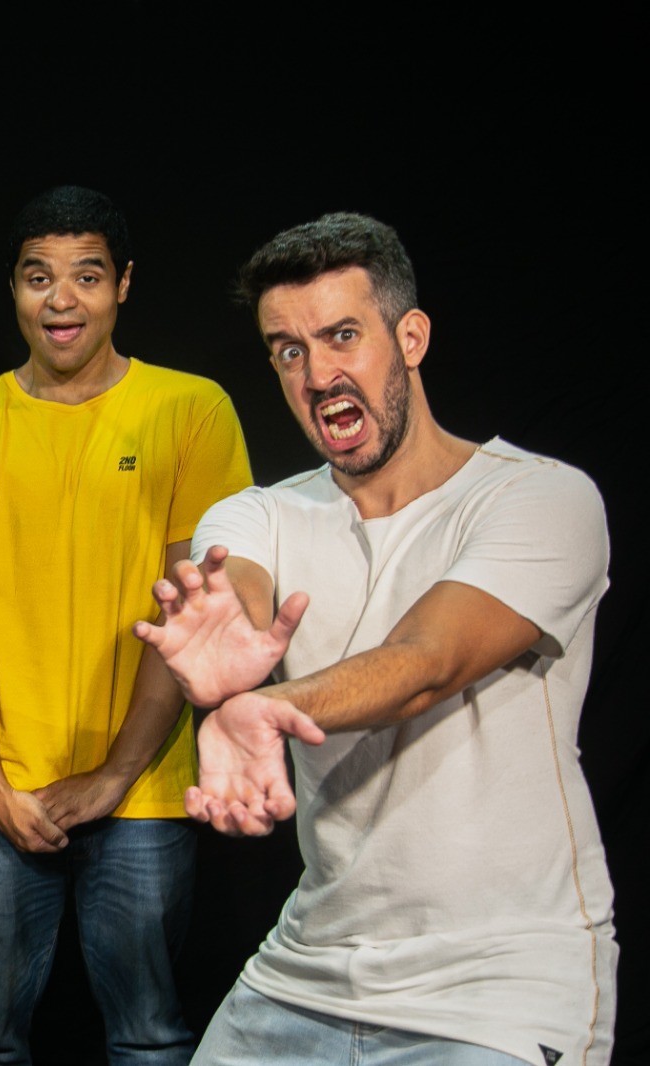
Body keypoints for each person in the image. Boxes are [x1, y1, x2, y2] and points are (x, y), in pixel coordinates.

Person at [135, 212, 617, 1066]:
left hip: (498, 986)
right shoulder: (262, 511)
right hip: (307, 972)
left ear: (412, 337)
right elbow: (239, 588)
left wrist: (270, 705)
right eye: (288, 350)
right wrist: (229, 637)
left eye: (342, 337)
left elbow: (427, 662)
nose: (318, 374)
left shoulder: (541, 499)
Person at [0, 185, 253, 1064]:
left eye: (87, 276)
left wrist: (115, 775)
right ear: (13, 288)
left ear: (124, 285)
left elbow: (193, 609)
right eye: (37, 278)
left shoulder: (193, 411)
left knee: (148, 1037)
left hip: (143, 793)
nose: (60, 300)